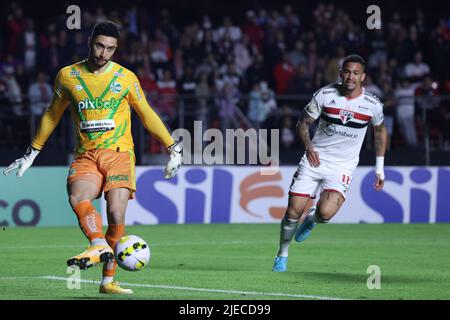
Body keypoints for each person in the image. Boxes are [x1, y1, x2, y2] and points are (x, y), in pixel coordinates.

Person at [3, 21, 183, 293]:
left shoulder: (125, 78)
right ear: (90, 43)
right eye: (99, 46)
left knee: (115, 212)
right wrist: (32, 153)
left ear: (115, 49)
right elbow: (53, 114)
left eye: (110, 48)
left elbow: (146, 113)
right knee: (78, 197)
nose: (103, 53)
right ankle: (98, 244)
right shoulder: (68, 76)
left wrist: (173, 147)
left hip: (119, 153)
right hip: (86, 154)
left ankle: (107, 281)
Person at [272, 54, 387, 272]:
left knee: (325, 213)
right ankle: (282, 254)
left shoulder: (372, 105)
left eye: (355, 73)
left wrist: (379, 168)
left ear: (363, 77)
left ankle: (312, 220)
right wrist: (308, 147)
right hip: (315, 160)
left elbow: (380, 132)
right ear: (341, 72)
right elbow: (303, 123)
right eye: (347, 71)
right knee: (293, 211)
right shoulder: (325, 95)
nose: (350, 77)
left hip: (342, 166)